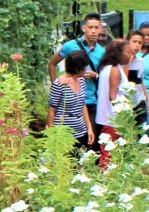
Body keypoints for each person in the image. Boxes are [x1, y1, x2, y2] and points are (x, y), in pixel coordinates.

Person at [49, 12, 106, 149]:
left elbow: (106, 75)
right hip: (67, 102)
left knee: (91, 142)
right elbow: (52, 63)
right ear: (84, 28)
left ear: (100, 29)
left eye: (96, 27)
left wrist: (95, 75)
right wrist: (56, 84)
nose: (93, 31)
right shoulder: (70, 46)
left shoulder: (102, 51)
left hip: (91, 100)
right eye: (90, 27)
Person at [95, 39, 134, 169]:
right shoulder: (114, 69)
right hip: (112, 118)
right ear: (118, 53)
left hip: (109, 118)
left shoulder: (107, 68)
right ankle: (105, 177)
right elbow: (112, 96)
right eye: (128, 52)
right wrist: (124, 111)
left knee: (108, 150)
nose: (131, 55)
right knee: (108, 152)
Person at [47, 50, 96, 149]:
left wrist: (89, 128)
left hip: (80, 131)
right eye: (85, 67)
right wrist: (51, 135)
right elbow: (52, 110)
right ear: (78, 68)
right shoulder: (59, 84)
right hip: (63, 132)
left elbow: (83, 105)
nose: (86, 69)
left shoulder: (81, 81)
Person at [127, 30, 149, 129]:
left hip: (139, 100)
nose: (137, 45)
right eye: (134, 42)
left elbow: (140, 81)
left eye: (140, 43)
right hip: (125, 103)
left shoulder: (140, 61)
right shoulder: (120, 62)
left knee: (143, 132)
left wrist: (148, 100)